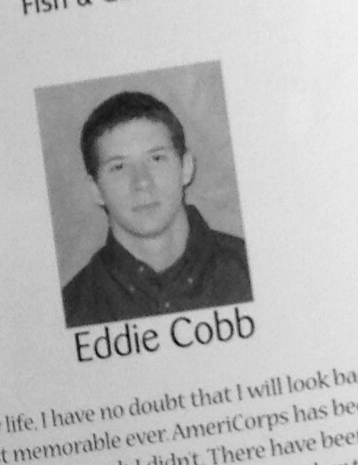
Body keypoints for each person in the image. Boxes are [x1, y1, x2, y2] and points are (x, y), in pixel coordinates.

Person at [61, 89, 253, 326]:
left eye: (156, 158)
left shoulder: (253, 271)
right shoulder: (71, 312)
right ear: (96, 190)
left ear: (186, 167)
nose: (142, 182)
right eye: (119, 167)